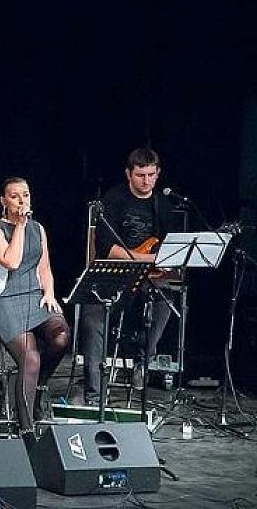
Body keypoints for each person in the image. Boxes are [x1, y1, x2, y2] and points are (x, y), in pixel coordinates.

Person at [81, 147, 179, 404]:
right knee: (93, 318)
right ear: (128, 174)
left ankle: (142, 361)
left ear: (158, 174)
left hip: (148, 277)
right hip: (116, 272)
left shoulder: (162, 205)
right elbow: (106, 247)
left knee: (166, 303)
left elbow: (171, 247)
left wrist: (161, 263)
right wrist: (145, 258)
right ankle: (94, 393)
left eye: (151, 175)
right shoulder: (113, 199)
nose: (146, 181)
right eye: (140, 175)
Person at [0, 177, 69, 442]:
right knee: (30, 358)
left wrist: (49, 292)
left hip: (34, 296)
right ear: (4, 201)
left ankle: (38, 385)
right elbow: (11, 261)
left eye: (26, 195)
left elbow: (44, 267)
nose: (22, 201)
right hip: (3, 300)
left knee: (61, 335)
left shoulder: (38, 228)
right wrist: (19, 226)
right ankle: (27, 429)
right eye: (15, 196)